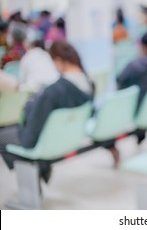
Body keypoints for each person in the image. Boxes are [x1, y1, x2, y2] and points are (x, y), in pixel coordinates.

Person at [0, 41, 94, 182]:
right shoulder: (89, 84)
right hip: (68, 136)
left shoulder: (53, 92)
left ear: (58, 60)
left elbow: (32, 132)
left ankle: (38, 169)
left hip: (46, 141)